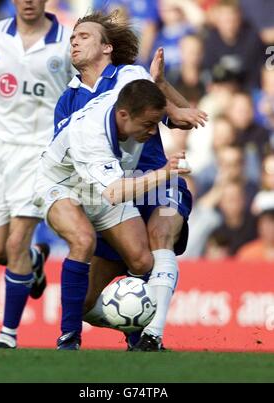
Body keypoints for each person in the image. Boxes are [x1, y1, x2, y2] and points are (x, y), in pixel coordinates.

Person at [53, 12, 207, 351]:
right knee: (84, 302)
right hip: (112, 197)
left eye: (83, 36)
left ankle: (153, 336)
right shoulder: (67, 100)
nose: (74, 41)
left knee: (159, 237)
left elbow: (179, 118)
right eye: (72, 37)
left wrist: (165, 90)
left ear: (107, 47)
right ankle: (134, 326)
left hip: (156, 179)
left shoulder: (130, 75)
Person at [36, 79, 191, 351]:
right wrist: (165, 172)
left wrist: (165, 87)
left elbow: (144, 79)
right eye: (148, 125)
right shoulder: (91, 136)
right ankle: (69, 338)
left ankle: (139, 336)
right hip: (62, 185)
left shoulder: (127, 89)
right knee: (83, 240)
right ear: (123, 115)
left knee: (142, 261)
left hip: (105, 185)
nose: (153, 131)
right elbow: (115, 194)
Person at [0, 0, 73, 348]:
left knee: (16, 241)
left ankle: (7, 334)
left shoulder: (66, 42)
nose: (29, 1)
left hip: (40, 153)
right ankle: (34, 260)